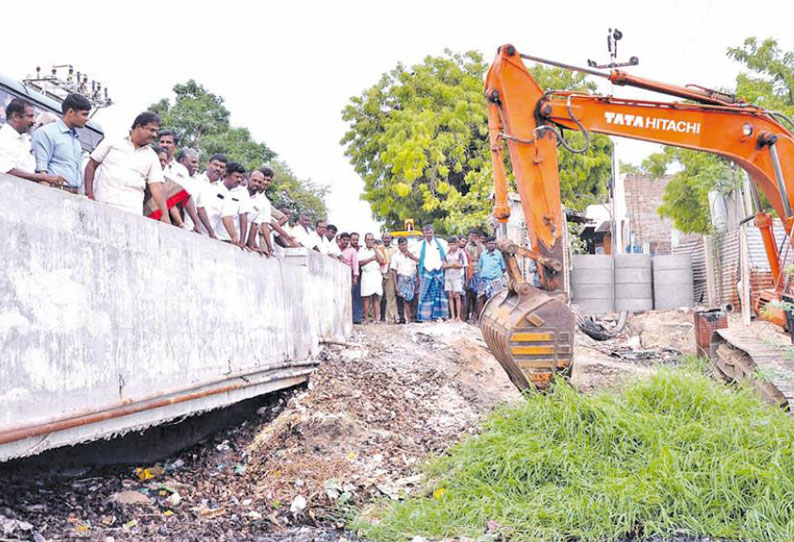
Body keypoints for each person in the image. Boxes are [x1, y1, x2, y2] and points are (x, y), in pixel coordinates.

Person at [84, 111, 168, 221]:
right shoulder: (113, 141)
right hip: (103, 203)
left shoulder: (152, 157)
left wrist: (165, 216)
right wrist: (89, 195)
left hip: (132, 212)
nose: (154, 135)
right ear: (139, 127)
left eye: (156, 131)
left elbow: (156, 186)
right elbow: (91, 165)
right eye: (151, 130)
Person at [32, 93, 91, 193]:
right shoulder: (46, 133)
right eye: (84, 114)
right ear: (71, 112)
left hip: (73, 195)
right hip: (54, 192)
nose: (87, 119)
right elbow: (41, 171)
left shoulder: (75, 139)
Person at [0, 98, 66, 186]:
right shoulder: (4, 138)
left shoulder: (24, 140)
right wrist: (43, 177)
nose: (34, 121)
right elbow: (6, 170)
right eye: (30, 116)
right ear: (16, 116)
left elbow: (28, 169)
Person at [197, 161, 246, 245]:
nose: (239, 180)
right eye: (237, 177)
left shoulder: (233, 192)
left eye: (241, 177)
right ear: (227, 175)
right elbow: (201, 209)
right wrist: (234, 237)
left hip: (212, 237)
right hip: (199, 231)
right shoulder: (213, 187)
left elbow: (226, 215)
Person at [408, 224, 449, 322]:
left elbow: (448, 254)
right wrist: (419, 261)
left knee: (440, 294)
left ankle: (439, 316)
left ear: (433, 232)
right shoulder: (419, 245)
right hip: (426, 272)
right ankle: (426, 317)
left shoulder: (441, 243)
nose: (429, 235)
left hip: (438, 272)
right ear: (424, 234)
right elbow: (410, 253)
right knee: (425, 294)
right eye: (427, 233)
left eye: (431, 232)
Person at [476, 235, 507, 316]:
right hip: (484, 279)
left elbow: (504, 268)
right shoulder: (483, 254)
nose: (491, 245)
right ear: (486, 244)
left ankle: (495, 317)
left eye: (493, 243)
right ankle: (481, 317)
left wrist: (497, 274)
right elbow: (480, 266)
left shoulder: (498, 254)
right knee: (480, 297)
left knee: (497, 299)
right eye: (489, 243)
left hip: (496, 279)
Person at [358, 233, 384, 324]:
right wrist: (371, 258)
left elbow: (381, 261)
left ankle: (377, 319)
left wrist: (375, 251)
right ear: (365, 240)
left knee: (376, 297)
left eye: (371, 239)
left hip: (376, 274)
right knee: (366, 298)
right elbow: (360, 262)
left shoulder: (377, 250)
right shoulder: (362, 250)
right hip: (366, 274)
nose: (370, 241)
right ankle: (366, 319)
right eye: (368, 239)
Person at [390, 237, 417, 323]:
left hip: (412, 279)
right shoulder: (395, 256)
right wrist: (396, 285)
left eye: (405, 244)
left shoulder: (412, 254)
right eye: (401, 245)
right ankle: (404, 318)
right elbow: (394, 271)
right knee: (404, 300)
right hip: (401, 279)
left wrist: (411, 256)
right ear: (398, 246)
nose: (403, 247)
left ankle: (412, 318)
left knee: (412, 300)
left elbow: (419, 264)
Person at [443, 236, 467, 322]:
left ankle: (458, 317)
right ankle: (452, 316)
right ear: (448, 245)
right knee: (450, 296)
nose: (452, 246)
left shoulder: (459, 253)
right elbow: (444, 266)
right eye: (450, 245)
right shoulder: (445, 254)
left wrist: (449, 265)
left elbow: (460, 265)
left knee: (457, 296)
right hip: (448, 276)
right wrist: (453, 265)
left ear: (456, 244)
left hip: (457, 277)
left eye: (454, 244)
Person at [338, 232, 361, 324]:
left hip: (349, 276)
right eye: (344, 240)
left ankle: (355, 318)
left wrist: (355, 278)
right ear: (340, 240)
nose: (345, 242)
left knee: (351, 297)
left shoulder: (352, 251)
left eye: (347, 240)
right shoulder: (335, 248)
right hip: (337, 276)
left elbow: (355, 265)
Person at [378, 233, 398, 324]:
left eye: (388, 238)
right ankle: (374, 317)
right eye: (385, 238)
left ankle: (391, 318)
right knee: (377, 296)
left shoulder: (395, 249)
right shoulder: (378, 249)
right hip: (379, 274)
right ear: (382, 239)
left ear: (391, 239)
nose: (386, 240)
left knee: (391, 296)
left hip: (390, 274)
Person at [465, 229, 484, 323]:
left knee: (478, 294)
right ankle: (467, 315)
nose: (472, 238)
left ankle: (476, 316)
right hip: (469, 271)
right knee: (469, 294)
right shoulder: (467, 246)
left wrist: (478, 244)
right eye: (471, 236)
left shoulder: (481, 247)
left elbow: (481, 255)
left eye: (474, 236)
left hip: (478, 271)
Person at [349, 231, 363, 323]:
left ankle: (357, 318)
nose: (355, 241)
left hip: (360, 275)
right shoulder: (347, 249)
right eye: (353, 239)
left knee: (358, 297)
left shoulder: (362, 249)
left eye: (357, 240)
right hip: (349, 275)